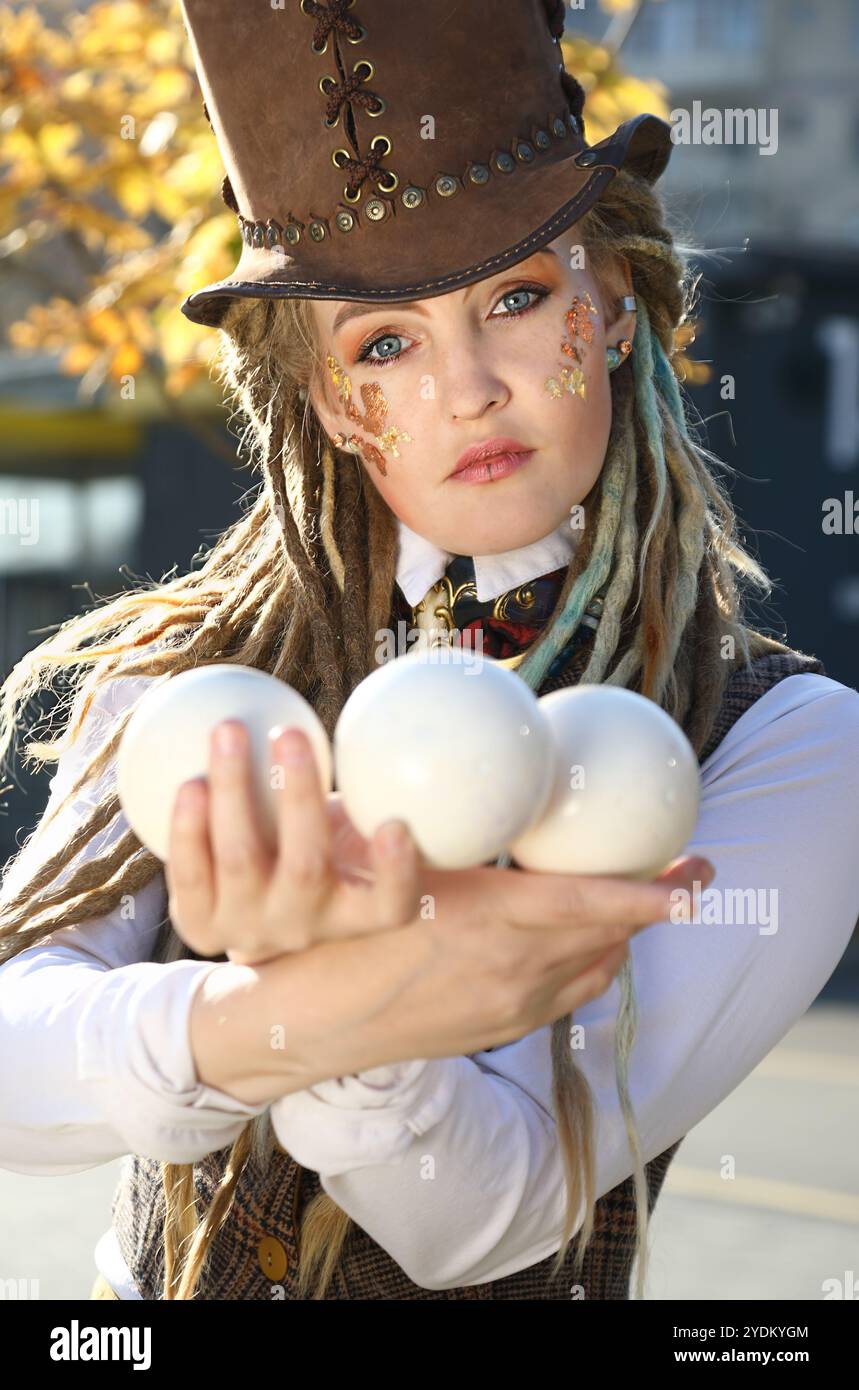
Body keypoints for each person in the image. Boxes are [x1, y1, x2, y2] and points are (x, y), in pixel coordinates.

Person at [1, 0, 857, 1303]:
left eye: (517, 297)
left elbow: (497, 1220)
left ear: (614, 303)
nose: (468, 390)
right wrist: (282, 1011)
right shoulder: (188, 680)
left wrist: (332, 1004)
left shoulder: (786, 741)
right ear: (341, 405)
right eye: (387, 341)